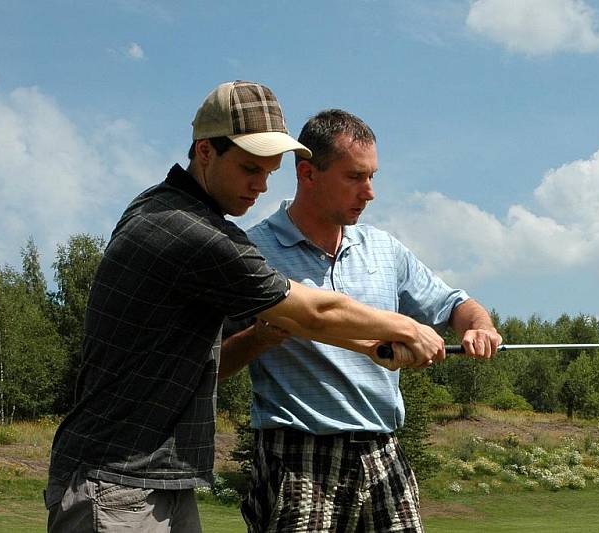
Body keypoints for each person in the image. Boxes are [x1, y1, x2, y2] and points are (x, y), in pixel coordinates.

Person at [44, 82, 445, 533]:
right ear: (205, 151)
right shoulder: (187, 232)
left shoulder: (164, 208)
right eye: (249, 168)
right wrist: (407, 328)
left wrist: (372, 345)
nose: (260, 186)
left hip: (156, 479)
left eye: (270, 172)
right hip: (115, 480)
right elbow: (313, 311)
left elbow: (296, 321)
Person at [228, 109, 503, 532]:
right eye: (355, 177)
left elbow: (454, 304)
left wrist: (478, 326)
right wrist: (264, 336)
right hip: (298, 458)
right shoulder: (251, 250)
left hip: (384, 452)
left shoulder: (383, 249)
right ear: (308, 173)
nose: (370, 192)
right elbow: (213, 361)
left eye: (372, 175)